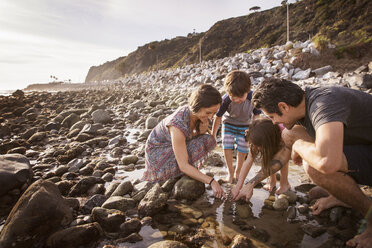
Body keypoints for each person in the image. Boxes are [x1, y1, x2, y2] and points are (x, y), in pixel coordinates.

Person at [248, 77, 372, 248]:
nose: (274, 122)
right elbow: (282, 157)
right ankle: (342, 196)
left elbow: (328, 162)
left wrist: (299, 146)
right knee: (290, 136)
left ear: (283, 106)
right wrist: (250, 183)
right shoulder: (304, 107)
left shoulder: (324, 105)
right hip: (365, 147)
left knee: (313, 165)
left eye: (272, 116)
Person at [143, 84, 226, 199]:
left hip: (171, 147)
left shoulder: (194, 114)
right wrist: (211, 181)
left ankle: (187, 173)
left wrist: (200, 132)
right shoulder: (177, 124)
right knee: (191, 156)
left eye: (214, 113)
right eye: (208, 113)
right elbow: (183, 165)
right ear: (197, 106)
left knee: (208, 140)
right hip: (157, 155)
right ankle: (173, 175)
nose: (211, 117)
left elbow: (189, 137)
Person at [211, 70, 261, 183]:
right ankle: (230, 172)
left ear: (247, 91)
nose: (237, 100)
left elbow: (257, 115)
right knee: (227, 144)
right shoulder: (226, 100)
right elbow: (218, 117)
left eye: (240, 97)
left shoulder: (253, 97)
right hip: (229, 123)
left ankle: (238, 172)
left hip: (245, 125)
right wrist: (213, 135)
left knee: (243, 148)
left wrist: (252, 129)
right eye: (233, 97)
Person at [231, 119, 292, 201]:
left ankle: (284, 183)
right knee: (267, 156)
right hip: (267, 136)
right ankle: (272, 181)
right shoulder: (256, 134)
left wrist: (250, 185)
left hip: (279, 138)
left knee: (280, 159)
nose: (258, 149)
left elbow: (282, 159)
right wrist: (238, 186)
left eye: (260, 146)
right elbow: (249, 160)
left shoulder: (285, 135)